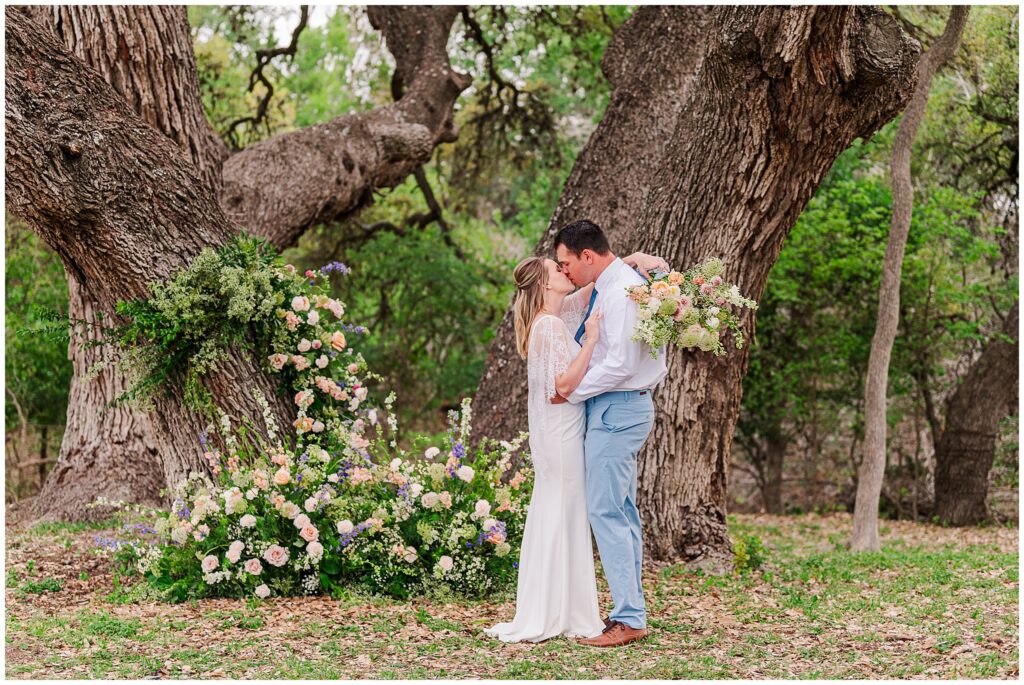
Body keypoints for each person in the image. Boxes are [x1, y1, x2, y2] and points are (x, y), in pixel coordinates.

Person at [484, 243, 667, 644]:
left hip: (563, 426)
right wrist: (592, 340)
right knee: (567, 507)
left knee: (563, 507)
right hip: (563, 429)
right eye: (557, 268)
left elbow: (597, 283)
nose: (565, 271)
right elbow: (563, 387)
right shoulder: (549, 325)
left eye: (565, 264)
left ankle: (560, 604)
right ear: (543, 283)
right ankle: (560, 608)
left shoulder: (555, 314)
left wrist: (632, 261)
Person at [554, 220, 668, 648]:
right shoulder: (617, 281)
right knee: (620, 512)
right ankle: (630, 610)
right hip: (616, 407)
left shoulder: (620, 291)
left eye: (567, 264)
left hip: (617, 408)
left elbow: (620, 363)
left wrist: (570, 392)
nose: (565, 272)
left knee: (606, 512)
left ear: (587, 256)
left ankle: (629, 617)